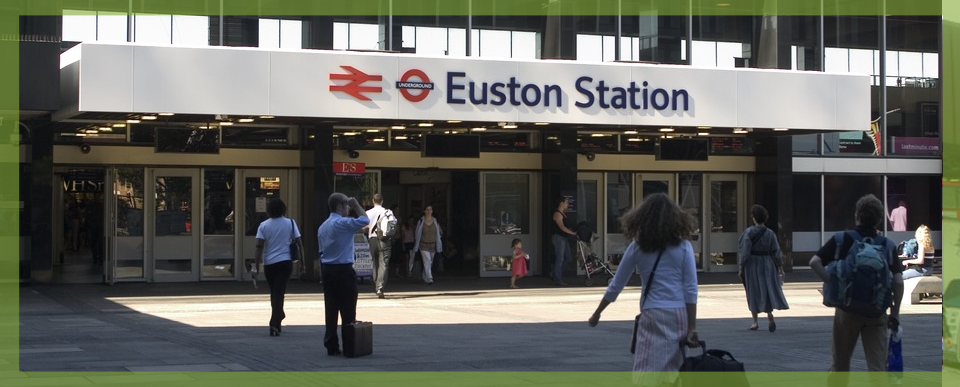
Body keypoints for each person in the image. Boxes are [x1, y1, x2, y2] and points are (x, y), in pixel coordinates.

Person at [588, 193, 700, 378]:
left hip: (652, 314)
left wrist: (597, 313)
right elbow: (690, 289)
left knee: (646, 368)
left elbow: (617, 284)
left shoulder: (637, 247)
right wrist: (692, 327)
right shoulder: (684, 247)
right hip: (679, 314)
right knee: (674, 370)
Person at [809, 194, 904, 372]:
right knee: (877, 368)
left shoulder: (841, 240)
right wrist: (895, 313)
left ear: (857, 215)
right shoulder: (887, 245)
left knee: (840, 365)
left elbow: (814, 262)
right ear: (878, 220)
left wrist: (831, 282)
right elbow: (898, 282)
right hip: (876, 312)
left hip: (847, 310)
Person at [318, 193, 369, 356]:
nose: (348, 209)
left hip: (327, 268)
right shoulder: (342, 222)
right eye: (346, 206)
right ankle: (350, 344)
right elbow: (365, 220)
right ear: (340, 206)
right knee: (348, 309)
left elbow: (321, 251)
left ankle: (331, 344)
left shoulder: (323, 226)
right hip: (343, 269)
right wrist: (356, 204)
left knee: (331, 308)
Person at [254, 198, 302, 337]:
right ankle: (277, 318)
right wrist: (303, 262)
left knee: (274, 291)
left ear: (269, 210)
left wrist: (256, 265)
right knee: (279, 292)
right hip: (285, 262)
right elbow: (299, 243)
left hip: (270, 263)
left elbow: (259, 246)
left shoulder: (263, 225)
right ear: (283, 209)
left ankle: (275, 321)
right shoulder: (291, 223)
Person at [737, 204, 790, 332]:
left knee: (752, 290)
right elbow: (776, 251)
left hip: (752, 263)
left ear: (754, 218)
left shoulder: (749, 232)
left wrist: (741, 267)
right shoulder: (770, 233)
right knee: (767, 289)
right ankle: (769, 314)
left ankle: (755, 322)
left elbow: (745, 252)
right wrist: (780, 267)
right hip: (767, 263)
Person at [365, 193, 392, 299]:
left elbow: (365, 226)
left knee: (375, 262)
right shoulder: (387, 212)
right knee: (384, 264)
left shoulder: (368, 213)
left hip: (372, 239)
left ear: (373, 201)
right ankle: (379, 287)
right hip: (384, 240)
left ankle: (376, 282)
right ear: (382, 201)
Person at [551, 196, 578, 286]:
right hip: (559, 238)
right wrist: (572, 233)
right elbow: (562, 227)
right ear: (561, 203)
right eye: (566, 202)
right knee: (560, 258)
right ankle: (558, 279)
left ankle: (557, 274)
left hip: (564, 238)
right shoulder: (557, 214)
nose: (567, 204)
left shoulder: (563, 213)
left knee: (568, 257)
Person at [414, 205, 442, 285]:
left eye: (430, 209)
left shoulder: (435, 221)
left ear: (432, 211)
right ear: (424, 211)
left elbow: (439, 232)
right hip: (423, 245)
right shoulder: (421, 221)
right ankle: (430, 278)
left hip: (433, 245)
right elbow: (417, 232)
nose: (429, 211)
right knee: (427, 261)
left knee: (430, 262)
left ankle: (424, 276)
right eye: (427, 209)